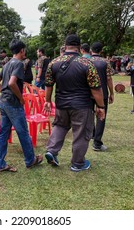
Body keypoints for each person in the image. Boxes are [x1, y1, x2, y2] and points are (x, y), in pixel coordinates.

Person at [42, 34, 105, 172]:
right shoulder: (87, 63)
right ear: (79, 47)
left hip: (61, 104)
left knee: (60, 126)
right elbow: (96, 89)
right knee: (81, 133)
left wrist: (47, 101)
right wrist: (100, 106)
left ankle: (52, 151)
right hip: (82, 105)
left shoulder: (54, 62)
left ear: (65, 46)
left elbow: (48, 84)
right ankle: (78, 163)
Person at [0, 39, 43, 172]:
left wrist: (4, 93)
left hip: (3, 102)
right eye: (25, 50)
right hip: (13, 104)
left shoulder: (7, 64)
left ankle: (0, 164)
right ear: (22, 50)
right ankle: (30, 160)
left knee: (4, 133)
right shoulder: (19, 64)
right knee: (23, 132)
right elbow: (11, 83)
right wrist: (20, 98)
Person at [90, 42, 115, 151]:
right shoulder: (105, 62)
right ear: (101, 51)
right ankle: (97, 143)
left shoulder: (85, 61)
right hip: (102, 93)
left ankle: (92, 134)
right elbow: (109, 78)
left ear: (91, 50)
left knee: (90, 115)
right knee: (101, 116)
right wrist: (111, 93)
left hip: (88, 93)